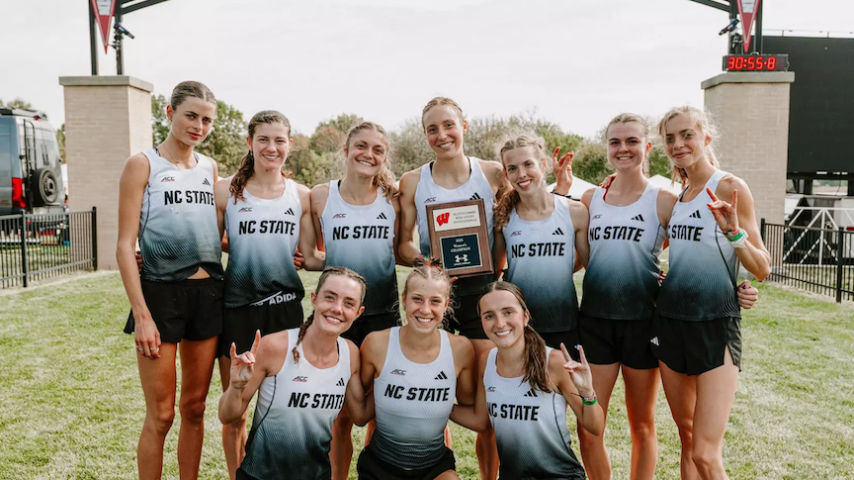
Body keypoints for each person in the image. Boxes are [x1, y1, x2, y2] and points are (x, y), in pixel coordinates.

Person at [653, 106, 770, 480]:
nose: (678, 144)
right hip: (671, 324)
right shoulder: (680, 195)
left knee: (705, 453)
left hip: (715, 325)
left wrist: (734, 233)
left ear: (706, 137)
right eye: (670, 138)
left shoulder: (729, 187)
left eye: (687, 134)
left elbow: (762, 267)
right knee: (687, 439)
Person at [117, 81, 222, 480]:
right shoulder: (142, 164)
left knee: (194, 408)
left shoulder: (210, 168)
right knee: (161, 415)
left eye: (206, 120)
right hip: (159, 297)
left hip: (208, 294)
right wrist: (142, 316)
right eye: (191, 116)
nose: (198, 126)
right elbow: (124, 246)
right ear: (169, 112)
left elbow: (209, 233)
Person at [215, 110, 325, 479]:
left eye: (279, 140)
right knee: (236, 409)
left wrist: (362, 255)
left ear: (290, 145)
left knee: (284, 407)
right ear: (250, 143)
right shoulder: (226, 191)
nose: (271, 147)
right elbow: (207, 247)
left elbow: (311, 257)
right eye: (263, 139)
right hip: (238, 310)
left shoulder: (301, 195)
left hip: (285, 313)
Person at [309, 121, 401, 479]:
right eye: (361, 146)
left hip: (383, 315)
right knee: (341, 415)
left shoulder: (394, 199)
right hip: (339, 317)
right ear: (346, 150)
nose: (369, 154)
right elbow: (317, 254)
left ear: (385, 157)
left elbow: (402, 249)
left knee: (383, 410)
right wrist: (308, 260)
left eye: (378, 149)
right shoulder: (321, 196)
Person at [219, 267, 369, 480]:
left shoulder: (350, 354)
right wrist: (236, 386)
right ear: (314, 299)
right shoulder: (274, 347)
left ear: (358, 312)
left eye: (349, 303)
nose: (337, 308)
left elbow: (360, 416)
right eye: (330, 297)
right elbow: (226, 415)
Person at [450, 281, 605, 480]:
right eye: (489, 316)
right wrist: (437, 405)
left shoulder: (554, 362)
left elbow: (594, 427)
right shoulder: (486, 361)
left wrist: (588, 393)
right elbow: (480, 421)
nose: (500, 323)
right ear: (482, 322)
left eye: (508, 312)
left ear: (525, 316)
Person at [353, 259, 475, 480]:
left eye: (435, 301)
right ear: (404, 299)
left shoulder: (460, 349)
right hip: (381, 466)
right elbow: (361, 415)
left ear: (446, 304)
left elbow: (468, 408)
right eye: (417, 299)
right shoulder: (377, 344)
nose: (425, 309)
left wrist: (429, 404)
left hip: (434, 467)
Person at [492, 132, 590, 354]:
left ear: (543, 164)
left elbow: (590, 267)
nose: (521, 174)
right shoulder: (503, 217)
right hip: (519, 327)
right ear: (506, 174)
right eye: (513, 168)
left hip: (565, 325)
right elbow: (495, 272)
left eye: (528, 164)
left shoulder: (575, 212)